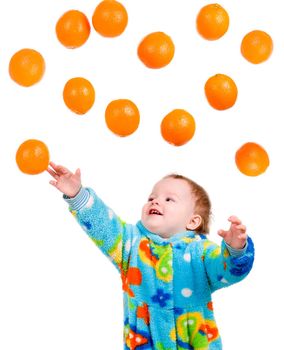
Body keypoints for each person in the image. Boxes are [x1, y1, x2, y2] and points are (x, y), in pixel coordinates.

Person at [47, 161, 254, 350]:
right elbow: (103, 226)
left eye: (169, 199)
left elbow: (227, 270)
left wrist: (235, 249)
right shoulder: (130, 244)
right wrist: (77, 194)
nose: (155, 202)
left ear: (192, 222)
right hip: (144, 342)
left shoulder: (201, 253)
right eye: (151, 198)